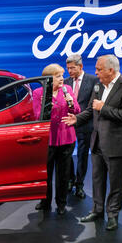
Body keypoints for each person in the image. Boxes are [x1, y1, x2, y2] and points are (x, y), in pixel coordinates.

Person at [61, 54, 122, 230]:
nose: (96, 73)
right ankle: (97, 210)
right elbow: (90, 109)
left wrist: (103, 107)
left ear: (111, 70)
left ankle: (113, 215)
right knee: (97, 179)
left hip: (118, 144)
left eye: (99, 69)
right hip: (97, 141)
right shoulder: (98, 86)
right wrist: (77, 119)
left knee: (116, 182)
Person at [33, 64, 80, 215]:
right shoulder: (38, 93)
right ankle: (45, 201)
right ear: (48, 78)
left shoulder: (68, 90)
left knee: (63, 173)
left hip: (66, 137)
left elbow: (77, 110)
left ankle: (61, 203)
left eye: (61, 75)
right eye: (58, 76)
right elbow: (36, 115)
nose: (62, 79)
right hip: (48, 138)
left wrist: (71, 104)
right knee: (46, 172)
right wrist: (48, 107)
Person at [64, 54, 99, 199]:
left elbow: (92, 106)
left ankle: (79, 184)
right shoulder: (65, 82)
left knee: (82, 156)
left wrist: (77, 118)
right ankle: (70, 179)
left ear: (81, 66)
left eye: (72, 68)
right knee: (67, 155)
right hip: (68, 124)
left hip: (85, 124)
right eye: (68, 68)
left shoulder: (93, 80)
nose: (70, 71)